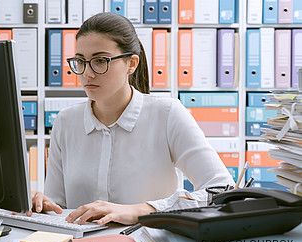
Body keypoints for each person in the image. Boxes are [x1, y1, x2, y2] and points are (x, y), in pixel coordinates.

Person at [29, 12, 234, 226]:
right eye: (80, 61)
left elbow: (222, 190)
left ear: (131, 64)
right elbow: (58, 206)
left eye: (100, 61)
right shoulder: (66, 121)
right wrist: (43, 205)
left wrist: (142, 210)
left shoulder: (167, 114)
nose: (87, 73)